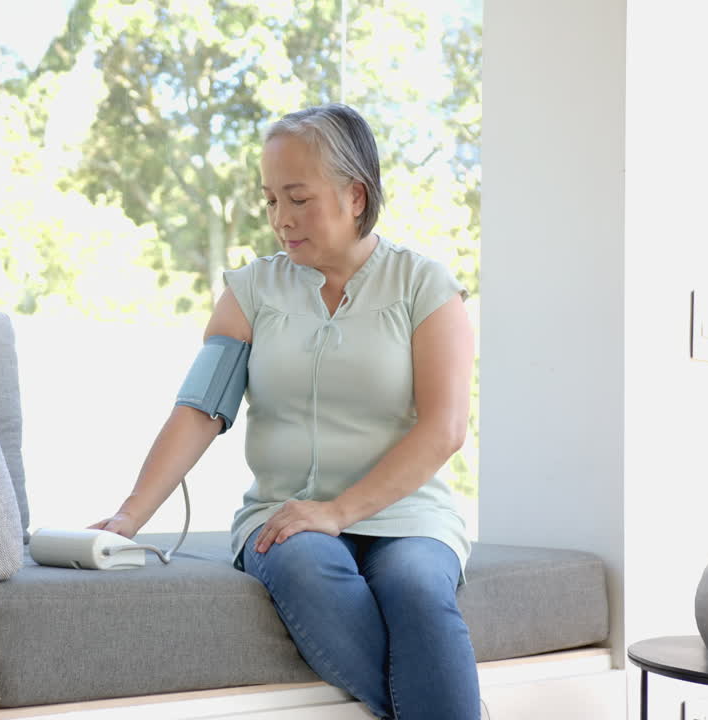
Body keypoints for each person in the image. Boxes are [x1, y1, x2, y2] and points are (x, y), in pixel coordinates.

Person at [90, 103, 480, 720]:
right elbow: (199, 410)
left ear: (356, 195)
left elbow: (445, 429)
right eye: (270, 200)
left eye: (298, 198)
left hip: (408, 515)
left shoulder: (424, 287)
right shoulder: (251, 291)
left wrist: (338, 511)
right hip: (283, 516)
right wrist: (128, 515)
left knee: (416, 588)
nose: (280, 219)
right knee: (305, 565)